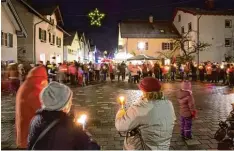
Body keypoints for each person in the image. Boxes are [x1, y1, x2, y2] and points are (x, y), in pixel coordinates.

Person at [27, 82, 100, 150]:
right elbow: (93, 148)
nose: (71, 103)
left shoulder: (35, 119)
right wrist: (83, 132)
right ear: (63, 104)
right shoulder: (70, 127)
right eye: (69, 101)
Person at [115, 77, 176, 150]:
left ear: (143, 90)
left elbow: (120, 126)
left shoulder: (140, 107)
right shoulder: (169, 104)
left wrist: (120, 111)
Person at [15, 66, 48, 149]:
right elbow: (43, 110)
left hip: (25, 132)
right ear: (42, 78)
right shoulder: (34, 88)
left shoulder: (26, 84)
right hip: (30, 136)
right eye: (45, 78)